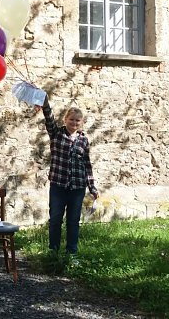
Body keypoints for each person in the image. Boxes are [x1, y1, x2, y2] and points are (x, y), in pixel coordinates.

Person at [37, 98, 99, 254]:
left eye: (77, 120)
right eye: (71, 119)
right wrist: (45, 103)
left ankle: (72, 253)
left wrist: (92, 187)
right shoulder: (57, 134)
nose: (74, 123)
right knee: (56, 220)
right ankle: (53, 252)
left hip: (77, 187)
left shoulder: (84, 140)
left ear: (82, 122)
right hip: (59, 185)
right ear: (65, 120)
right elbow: (49, 119)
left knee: (73, 221)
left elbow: (87, 164)